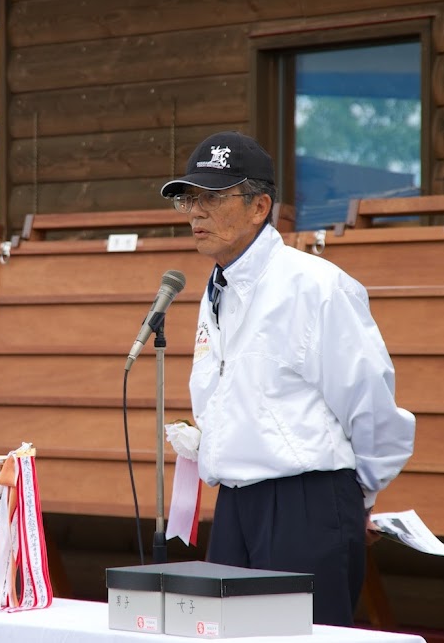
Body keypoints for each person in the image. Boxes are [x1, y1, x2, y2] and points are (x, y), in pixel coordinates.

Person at [160, 131, 415, 627]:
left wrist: (356, 495)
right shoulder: (219, 287)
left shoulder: (316, 285)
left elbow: (370, 400)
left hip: (307, 503)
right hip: (235, 503)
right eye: (189, 198)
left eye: (212, 197)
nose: (195, 211)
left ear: (259, 206)